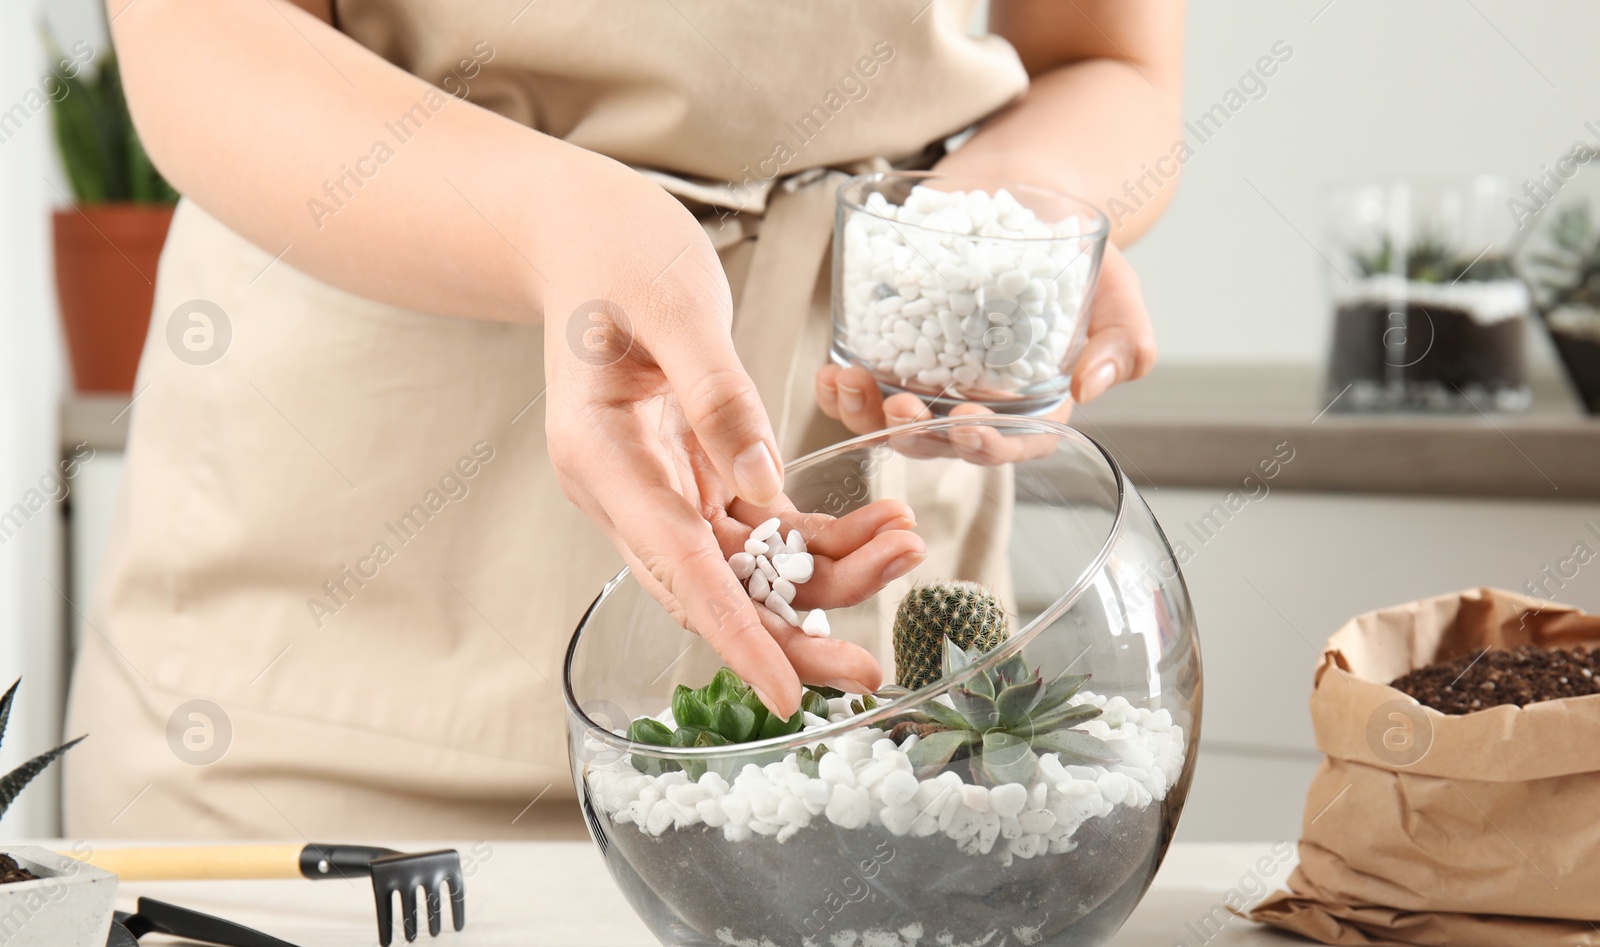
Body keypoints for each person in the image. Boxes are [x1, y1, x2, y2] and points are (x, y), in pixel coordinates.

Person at [64, 0, 1181, 840]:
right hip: (332, 652)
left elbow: (1106, 58)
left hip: (865, 652)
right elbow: (201, 39)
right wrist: (563, 228)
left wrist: (1012, 207)